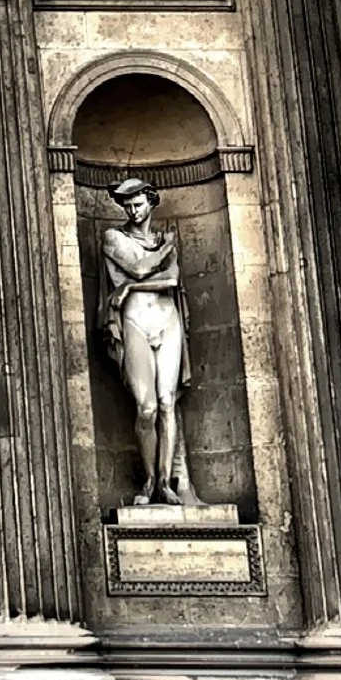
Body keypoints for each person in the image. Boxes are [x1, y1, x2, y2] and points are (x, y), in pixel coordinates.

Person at [100, 174, 194, 507]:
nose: (132, 210)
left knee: (168, 403)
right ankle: (149, 478)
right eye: (127, 205)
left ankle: (165, 483)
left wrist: (130, 286)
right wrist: (166, 248)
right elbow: (139, 269)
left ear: (151, 202)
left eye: (138, 204)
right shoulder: (113, 237)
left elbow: (171, 278)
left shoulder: (160, 237)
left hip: (168, 321)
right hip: (135, 321)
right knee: (147, 407)